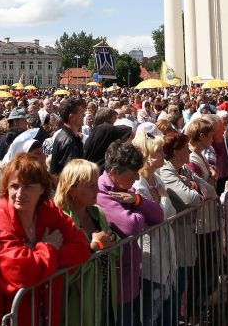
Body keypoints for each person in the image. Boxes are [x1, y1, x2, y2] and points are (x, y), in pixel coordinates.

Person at [0, 153, 89, 326]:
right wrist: (48, 247)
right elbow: (20, 273)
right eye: (14, 186)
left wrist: (35, 257)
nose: (19, 194)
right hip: (4, 317)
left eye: (27, 187)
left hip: (43, 313)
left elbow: (82, 248)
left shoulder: (48, 210)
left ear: (42, 188)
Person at [97, 140, 163, 326]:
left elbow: (159, 216)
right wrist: (140, 212)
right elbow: (131, 226)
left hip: (131, 279)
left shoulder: (127, 189)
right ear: (115, 173)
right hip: (116, 285)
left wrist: (137, 201)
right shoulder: (102, 193)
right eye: (133, 173)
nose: (136, 178)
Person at [157, 130, 215, 323]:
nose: (189, 151)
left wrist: (193, 185)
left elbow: (211, 190)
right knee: (174, 288)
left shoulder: (183, 170)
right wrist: (196, 190)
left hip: (187, 235)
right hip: (177, 238)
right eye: (185, 147)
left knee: (182, 286)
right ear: (176, 151)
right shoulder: (167, 171)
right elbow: (191, 199)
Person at [54, 159, 118, 325]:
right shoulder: (61, 220)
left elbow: (118, 250)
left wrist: (111, 239)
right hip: (79, 301)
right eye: (90, 186)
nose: (97, 189)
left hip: (105, 294)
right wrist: (91, 248)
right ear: (72, 190)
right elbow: (64, 272)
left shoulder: (97, 212)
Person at [132, 132, 177, 325]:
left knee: (160, 307)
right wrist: (164, 198)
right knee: (149, 312)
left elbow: (171, 214)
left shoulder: (157, 179)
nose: (163, 155)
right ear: (146, 154)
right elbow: (160, 217)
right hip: (150, 257)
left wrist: (163, 199)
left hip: (164, 250)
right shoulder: (137, 185)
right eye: (158, 151)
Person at [49, 98, 86, 175]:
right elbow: (71, 176)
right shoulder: (69, 141)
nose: (84, 115)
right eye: (81, 113)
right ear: (72, 117)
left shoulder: (67, 136)